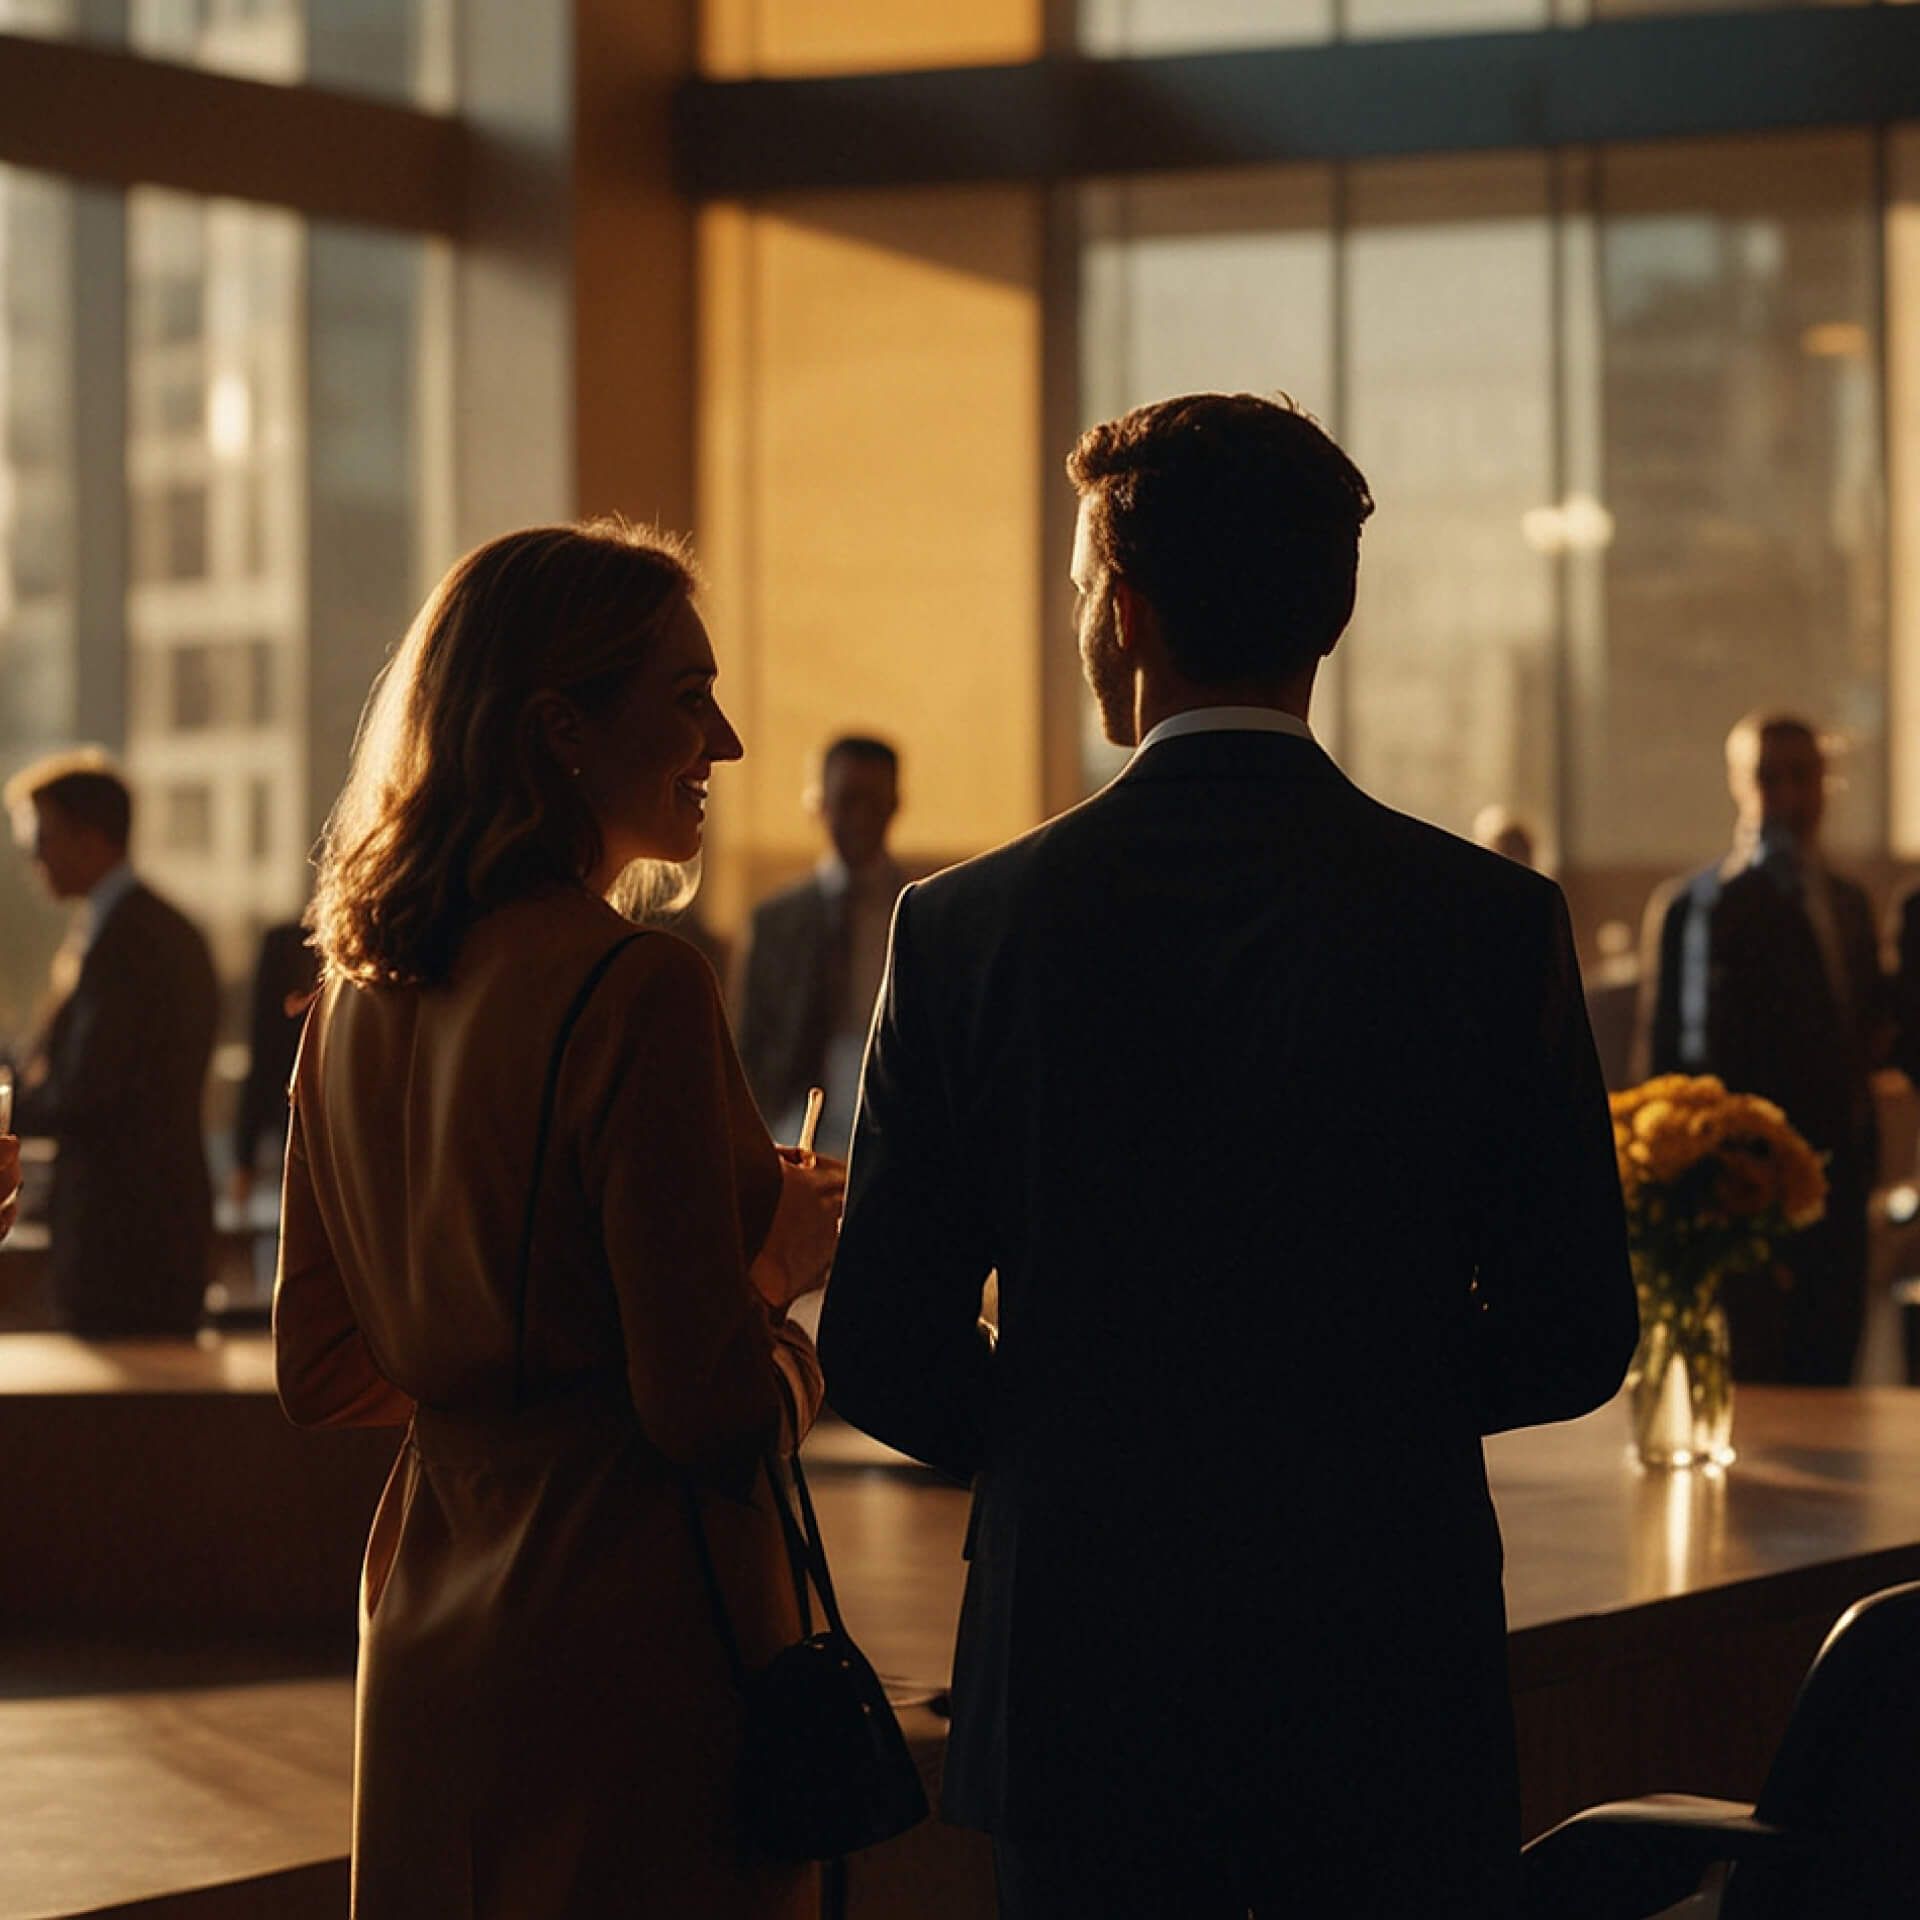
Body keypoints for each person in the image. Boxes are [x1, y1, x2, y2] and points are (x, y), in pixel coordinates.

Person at [819, 393, 1638, 1920]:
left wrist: (1074, 1435)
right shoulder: (1486, 924)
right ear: (1329, 609)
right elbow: (1580, 1329)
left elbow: (878, 1342)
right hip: (1390, 1651)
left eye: (1080, 588)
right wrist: (1362, 1403)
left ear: (1124, 610)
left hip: (1084, 1663)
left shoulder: (969, 930)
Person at [275, 519, 843, 1919]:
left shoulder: (347, 1007)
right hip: (626, 1644)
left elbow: (322, 1368)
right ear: (559, 729)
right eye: (686, 696)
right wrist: (774, 1276)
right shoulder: (635, 989)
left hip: (423, 1623)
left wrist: (498, 1349)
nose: (726, 742)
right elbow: (707, 1415)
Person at [1635, 713, 1881, 1385]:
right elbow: (1670, 1058)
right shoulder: (1699, 905)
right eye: (1769, 778)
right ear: (1740, 784)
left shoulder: (1849, 903)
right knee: (1753, 1383)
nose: (1789, 796)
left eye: (1803, 776)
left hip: (1838, 1182)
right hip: (1742, 1191)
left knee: (1833, 1371)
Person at [5, 751, 218, 1336]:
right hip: (146, 1229)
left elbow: (88, 1089)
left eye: (42, 836)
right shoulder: (146, 931)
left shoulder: (129, 943)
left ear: (91, 837)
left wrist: (8, 1111)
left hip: (128, 1238)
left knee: (124, 1418)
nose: (34, 856)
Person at [735, 736, 904, 1158]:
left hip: (895, 1121)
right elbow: (750, 1047)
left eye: (874, 801)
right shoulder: (775, 922)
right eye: (848, 800)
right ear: (820, 804)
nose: (861, 817)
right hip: (796, 1126)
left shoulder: (920, 909)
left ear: (894, 805)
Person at [229, 918, 320, 1215]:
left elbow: (264, 1054)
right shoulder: (288, 947)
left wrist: (244, 1158)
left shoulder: (286, 945)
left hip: (303, 1138)